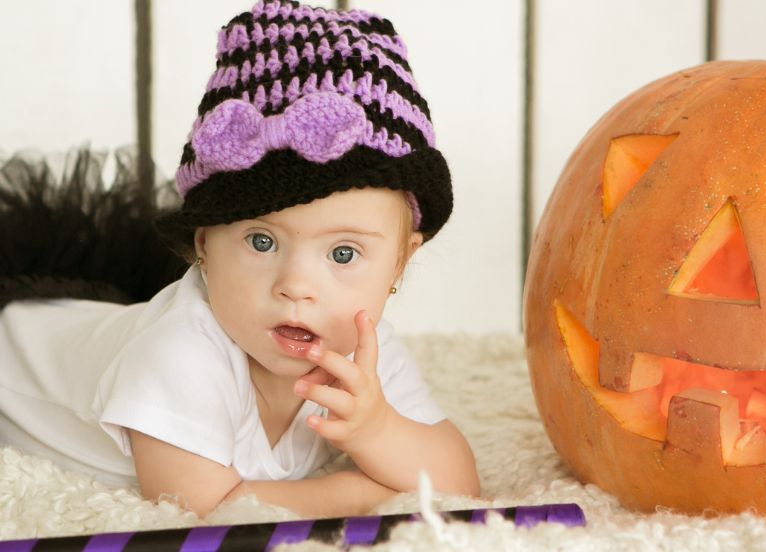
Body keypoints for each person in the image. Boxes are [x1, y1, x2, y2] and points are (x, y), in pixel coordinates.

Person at [0, 0, 479, 518]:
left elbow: (459, 482)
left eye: (343, 253)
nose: (296, 285)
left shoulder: (362, 351)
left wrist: (379, 429)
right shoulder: (179, 353)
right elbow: (205, 506)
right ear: (204, 244)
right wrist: (363, 493)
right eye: (262, 241)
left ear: (400, 263)